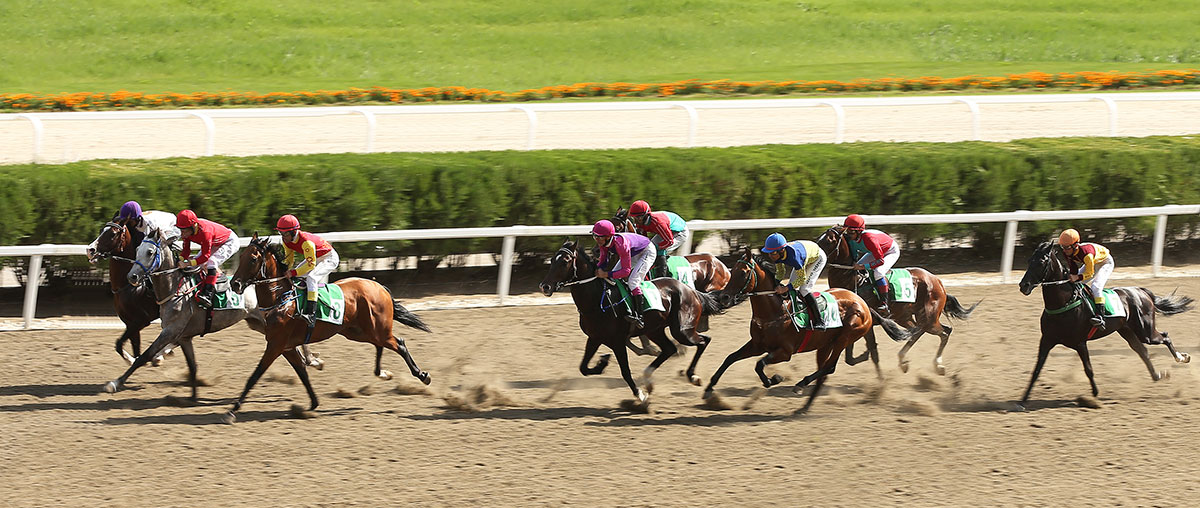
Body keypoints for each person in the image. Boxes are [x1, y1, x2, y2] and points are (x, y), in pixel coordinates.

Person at [276, 214, 340, 326]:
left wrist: (293, 272)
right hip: (315, 257)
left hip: (329, 257)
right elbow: (289, 260)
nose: (283, 236)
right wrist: (284, 270)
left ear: (293, 232)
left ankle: (311, 313)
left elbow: (310, 265)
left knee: (311, 278)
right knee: (296, 276)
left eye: (285, 233)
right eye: (280, 233)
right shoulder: (286, 241)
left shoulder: (307, 242)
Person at [593, 219, 656, 327]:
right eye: (595, 236)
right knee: (613, 276)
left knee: (633, 281)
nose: (597, 239)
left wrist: (606, 274)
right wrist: (595, 270)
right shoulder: (603, 242)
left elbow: (626, 271)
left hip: (647, 251)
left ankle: (640, 316)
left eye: (599, 237)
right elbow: (603, 261)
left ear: (608, 237)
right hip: (633, 252)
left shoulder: (621, 244)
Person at [176, 209, 239, 309]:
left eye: (184, 230)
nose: (182, 234)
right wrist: (179, 260)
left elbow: (205, 256)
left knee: (212, 262)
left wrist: (187, 264)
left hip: (229, 241)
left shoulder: (205, 232)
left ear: (193, 226)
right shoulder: (188, 232)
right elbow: (186, 251)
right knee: (196, 262)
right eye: (180, 230)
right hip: (214, 242)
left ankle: (208, 293)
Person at [762, 233, 828, 328]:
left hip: (817, 258)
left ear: (782, 250)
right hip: (805, 256)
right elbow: (781, 272)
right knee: (791, 286)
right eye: (769, 253)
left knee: (804, 289)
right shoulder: (778, 255)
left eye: (773, 253)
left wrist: (785, 289)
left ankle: (820, 321)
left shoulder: (795, 257)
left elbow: (802, 279)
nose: (770, 256)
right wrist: (776, 283)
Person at [843, 214, 899, 318]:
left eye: (851, 232)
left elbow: (880, 261)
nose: (848, 235)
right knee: (856, 267)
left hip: (890, 251)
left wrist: (864, 267)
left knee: (878, 272)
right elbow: (854, 257)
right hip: (874, 252)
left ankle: (884, 304)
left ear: (859, 232)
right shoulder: (852, 240)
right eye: (847, 231)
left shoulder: (869, 238)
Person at [1059, 228, 1113, 329]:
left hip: (1105, 262)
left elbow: (1090, 273)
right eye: (1063, 247)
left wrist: (1077, 277)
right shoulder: (1068, 252)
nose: (1065, 250)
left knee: (1096, 287)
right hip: (1092, 262)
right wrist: (1073, 276)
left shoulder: (1087, 254)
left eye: (1067, 248)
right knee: (1073, 282)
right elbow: (1073, 267)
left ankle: (1101, 317)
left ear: (1075, 245)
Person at [628, 200, 690, 278]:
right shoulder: (640, 222)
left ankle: (662, 277)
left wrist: (656, 248)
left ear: (646, 215)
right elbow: (644, 240)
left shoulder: (658, 223)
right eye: (634, 218)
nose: (636, 221)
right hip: (667, 230)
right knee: (648, 248)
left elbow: (669, 242)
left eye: (638, 217)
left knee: (659, 250)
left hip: (680, 231)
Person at [115, 200, 181, 243]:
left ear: (137, 219)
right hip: (159, 222)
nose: (128, 224)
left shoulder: (149, 224)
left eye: (130, 221)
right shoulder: (137, 219)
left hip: (173, 226)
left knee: (164, 243)